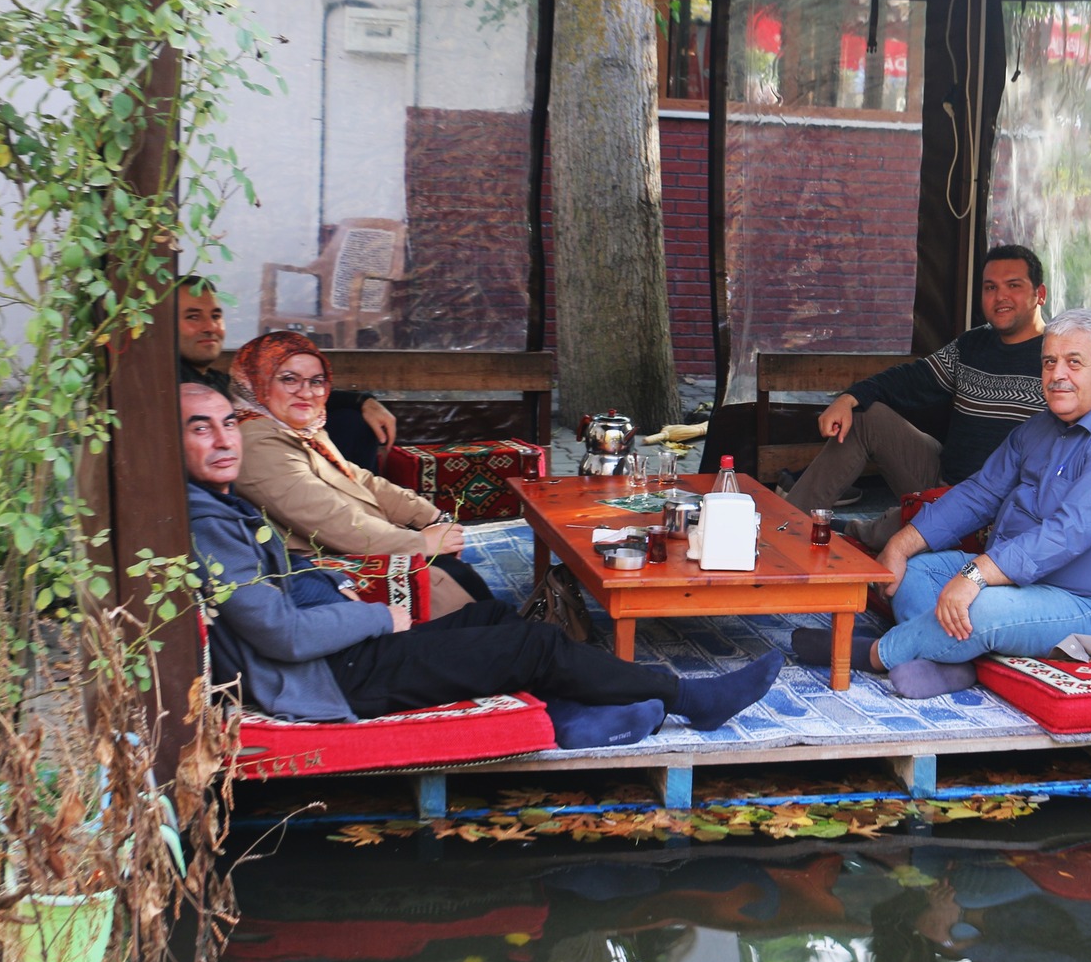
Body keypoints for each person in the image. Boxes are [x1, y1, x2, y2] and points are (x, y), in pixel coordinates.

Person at [183, 382, 782, 742]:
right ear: (171, 441)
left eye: (228, 423)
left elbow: (280, 589)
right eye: (199, 428)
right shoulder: (206, 525)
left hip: (335, 655)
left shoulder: (214, 505)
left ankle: (573, 718)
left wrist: (329, 582)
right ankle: (688, 698)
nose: (223, 439)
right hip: (330, 679)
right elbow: (282, 635)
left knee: (496, 621)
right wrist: (374, 618)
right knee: (534, 646)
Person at [792, 308, 1091, 699]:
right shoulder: (1045, 424)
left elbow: (1067, 533)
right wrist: (900, 543)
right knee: (915, 572)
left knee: (982, 608)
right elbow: (981, 492)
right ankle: (953, 664)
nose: (1057, 375)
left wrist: (976, 575)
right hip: (1024, 582)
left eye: (1074, 363)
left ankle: (874, 653)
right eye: (1049, 362)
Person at [784, 245, 1051, 550]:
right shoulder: (972, 345)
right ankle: (782, 529)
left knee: (892, 538)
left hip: (1003, 511)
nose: (1000, 296)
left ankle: (868, 530)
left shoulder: (1056, 358)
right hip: (944, 481)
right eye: (990, 287)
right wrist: (849, 398)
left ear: (1039, 293)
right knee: (866, 417)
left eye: (1013, 285)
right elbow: (911, 379)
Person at [226, 329, 490, 617]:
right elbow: (331, 521)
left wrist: (428, 516)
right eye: (289, 379)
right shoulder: (256, 442)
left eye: (316, 382)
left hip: (350, 544)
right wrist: (419, 542)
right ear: (258, 380)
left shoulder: (298, 428)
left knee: (462, 579)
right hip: (317, 568)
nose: (306, 392)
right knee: (455, 585)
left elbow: (358, 478)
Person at [174, 275, 399, 471]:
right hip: (253, 481)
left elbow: (284, 394)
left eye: (215, 316)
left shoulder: (216, 381)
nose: (210, 327)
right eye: (193, 317)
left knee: (351, 423)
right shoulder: (173, 387)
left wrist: (362, 401)